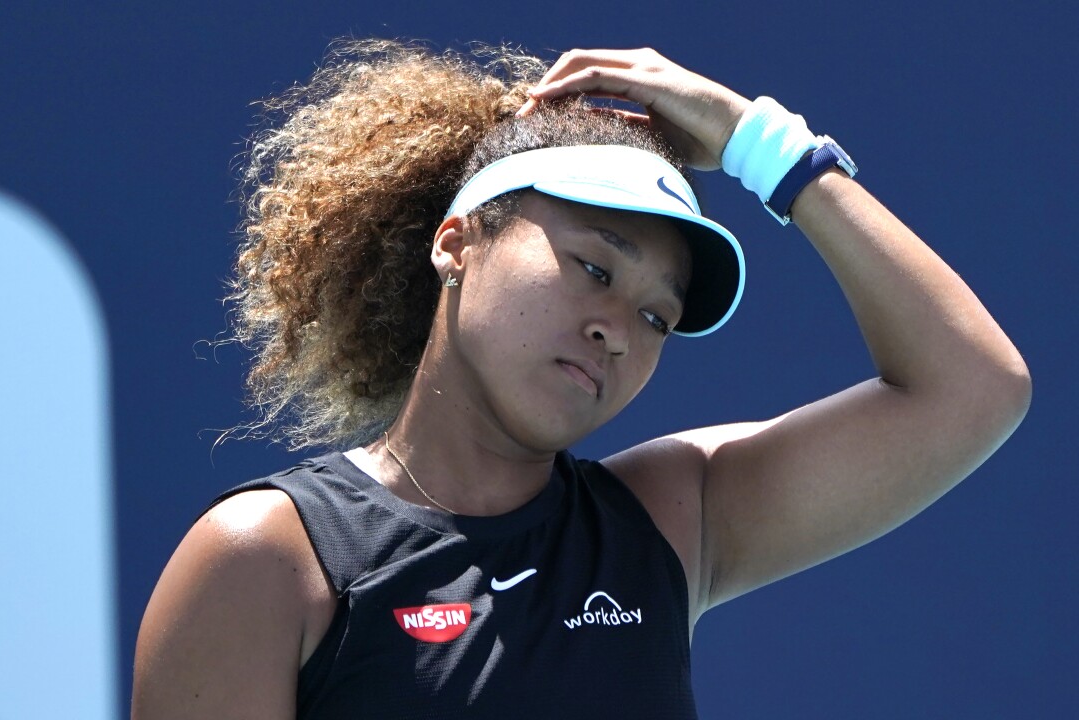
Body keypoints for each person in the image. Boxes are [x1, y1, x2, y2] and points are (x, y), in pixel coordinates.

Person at [131, 40, 1030, 719]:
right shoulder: (270, 557)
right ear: (459, 241)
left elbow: (975, 386)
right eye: (596, 269)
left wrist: (763, 146)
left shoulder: (673, 517)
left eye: (657, 316)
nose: (617, 330)